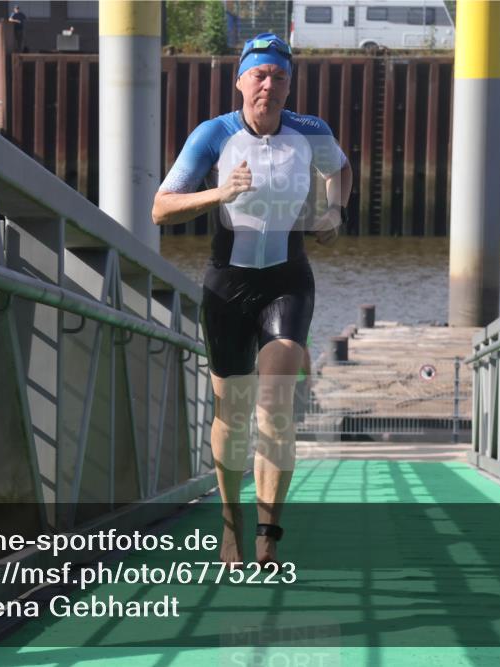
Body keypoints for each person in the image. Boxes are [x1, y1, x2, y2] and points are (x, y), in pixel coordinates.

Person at [152, 33, 352, 568]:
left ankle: (268, 535)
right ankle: (229, 524)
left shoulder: (311, 133)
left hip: (288, 281)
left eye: (279, 77)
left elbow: (341, 170)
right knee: (232, 413)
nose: (269, 85)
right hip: (227, 285)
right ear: (240, 79)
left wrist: (335, 211)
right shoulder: (213, 136)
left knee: (275, 405)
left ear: (289, 86)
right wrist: (220, 192)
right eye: (259, 75)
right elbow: (161, 209)